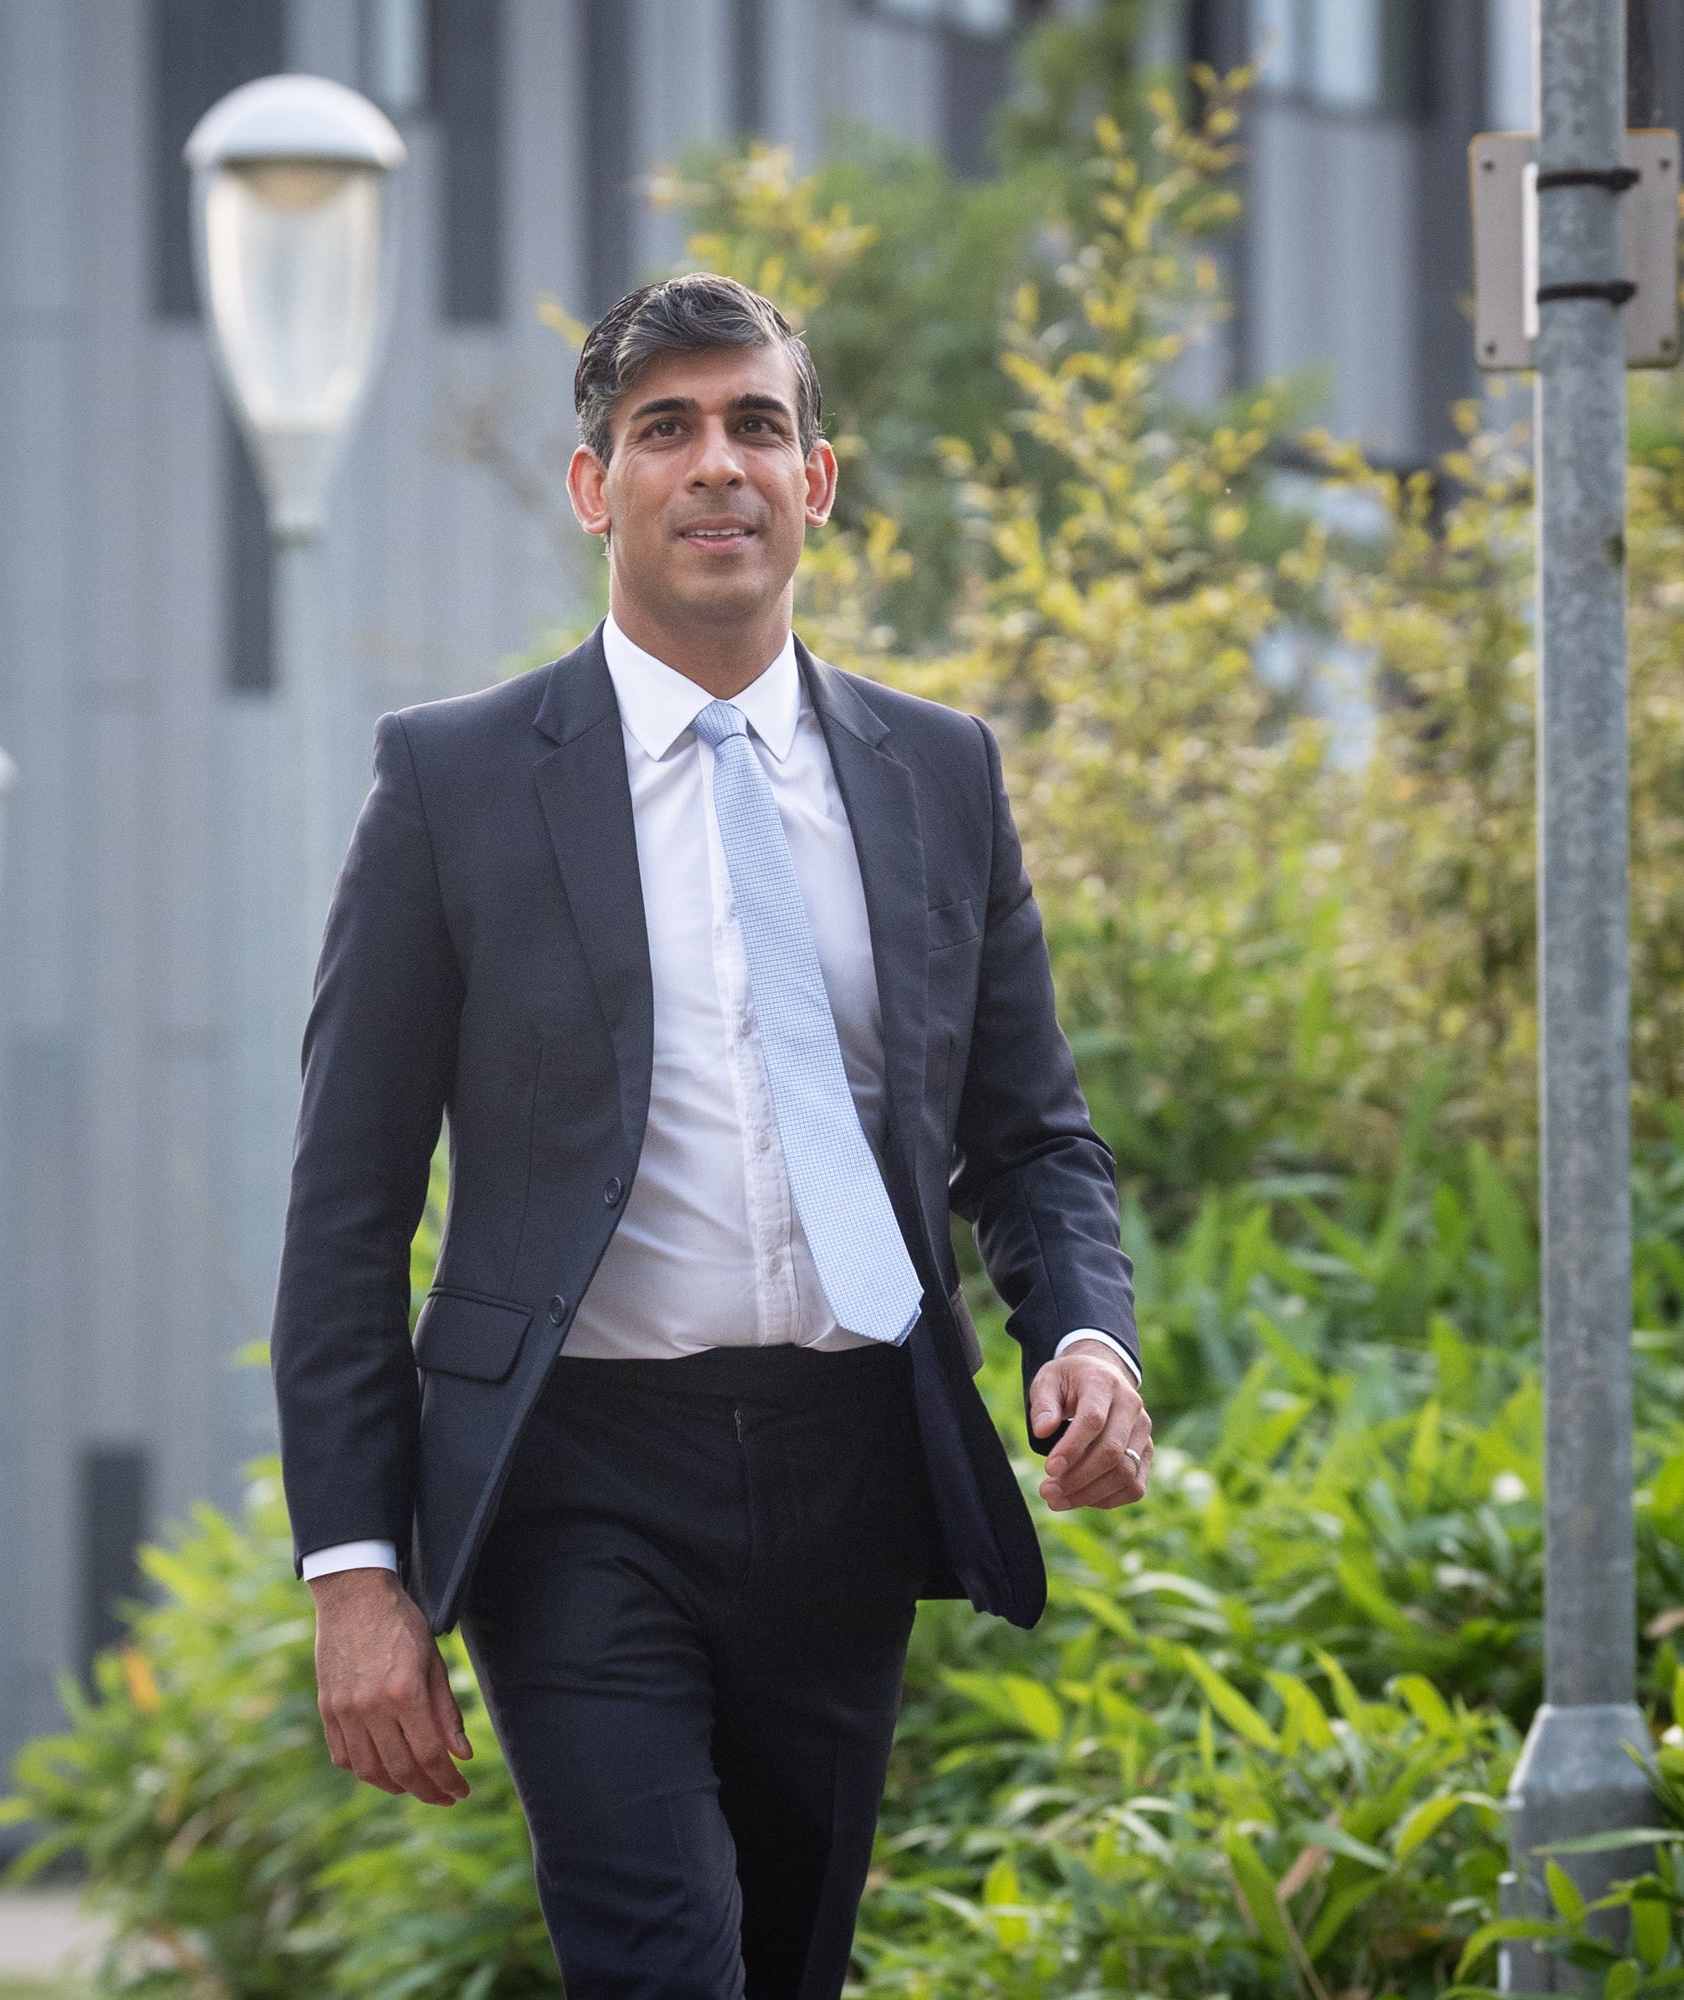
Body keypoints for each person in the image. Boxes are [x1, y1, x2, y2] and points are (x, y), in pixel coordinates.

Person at [273, 273, 1153, 1999]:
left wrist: (1087, 1334)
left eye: (758, 423)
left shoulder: (938, 774)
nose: (717, 464)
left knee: (788, 1969)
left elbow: (1030, 1132)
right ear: (597, 486)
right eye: (665, 429)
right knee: (666, 1962)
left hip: (851, 1462)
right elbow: (348, 1204)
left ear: (818, 478)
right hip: (579, 1482)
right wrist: (355, 1569)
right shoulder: (454, 787)